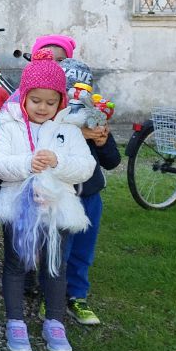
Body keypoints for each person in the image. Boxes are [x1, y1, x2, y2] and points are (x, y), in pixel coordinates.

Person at [0, 52, 95, 351]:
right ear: (23, 97)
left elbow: (86, 166)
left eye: (51, 102)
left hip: (56, 208)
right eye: (36, 100)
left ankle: (55, 322)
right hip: (18, 207)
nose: (43, 108)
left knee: (54, 265)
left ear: (61, 101)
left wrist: (58, 163)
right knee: (16, 263)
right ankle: (15, 320)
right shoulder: (10, 126)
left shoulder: (68, 129)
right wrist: (26, 163)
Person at [59, 59, 121, 326]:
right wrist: (75, 135)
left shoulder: (95, 119)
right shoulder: (54, 122)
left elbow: (113, 161)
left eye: (81, 92)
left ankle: (77, 296)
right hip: (62, 196)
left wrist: (103, 141)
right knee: (59, 249)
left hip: (90, 196)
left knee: (83, 250)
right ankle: (51, 293)